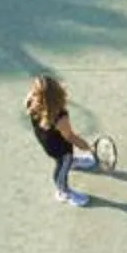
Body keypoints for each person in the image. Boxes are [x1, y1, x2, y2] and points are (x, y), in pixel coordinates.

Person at [25, 75, 98, 207]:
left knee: (65, 161)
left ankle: (73, 162)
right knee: (62, 165)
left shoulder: (32, 101)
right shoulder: (60, 117)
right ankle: (63, 191)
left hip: (46, 141)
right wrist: (89, 148)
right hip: (60, 150)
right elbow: (71, 137)